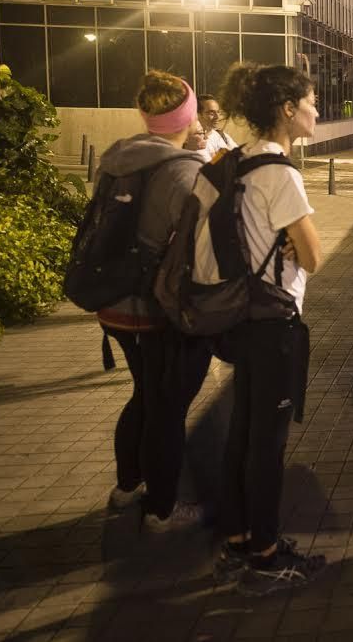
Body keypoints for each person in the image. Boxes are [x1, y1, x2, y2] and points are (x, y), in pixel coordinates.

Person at [215, 62, 325, 595]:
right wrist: (293, 241)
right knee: (268, 443)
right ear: (288, 110)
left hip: (240, 316)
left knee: (241, 432)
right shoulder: (279, 173)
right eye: (310, 101)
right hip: (275, 320)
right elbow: (314, 255)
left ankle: (236, 537)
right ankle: (264, 553)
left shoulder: (232, 163)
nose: (316, 110)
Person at [96, 71, 212, 531]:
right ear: (187, 116)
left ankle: (128, 486)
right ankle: (162, 509)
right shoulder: (185, 170)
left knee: (144, 394)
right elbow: (203, 246)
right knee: (167, 407)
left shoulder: (118, 157)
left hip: (115, 303)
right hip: (157, 309)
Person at [198, 94, 238, 162]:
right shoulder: (195, 142)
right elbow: (208, 169)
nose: (217, 117)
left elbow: (239, 156)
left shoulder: (222, 135)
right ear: (198, 114)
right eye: (211, 113)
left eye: (218, 112)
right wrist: (225, 153)